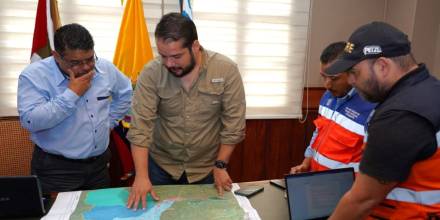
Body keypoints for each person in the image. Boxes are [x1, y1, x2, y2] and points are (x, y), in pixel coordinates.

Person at [126, 13, 246, 210]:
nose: (169, 63)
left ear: (195, 47)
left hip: (207, 168)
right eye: (163, 56)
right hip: (160, 167)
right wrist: (141, 176)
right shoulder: (151, 73)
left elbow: (234, 125)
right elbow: (140, 128)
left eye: (176, 56)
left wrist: (221, 165)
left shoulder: (226, 70)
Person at [325, 22, 440, 219]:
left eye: (354, 72)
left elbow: (362, 200)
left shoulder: (399, 116)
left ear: (382, 66)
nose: (351, 81)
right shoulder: (431, 88)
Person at [17, 23, 132, 194]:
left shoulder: (105, 69)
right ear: (56, 56)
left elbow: (126, 94)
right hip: (56, 170)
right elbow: (30, 121)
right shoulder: (34, 76)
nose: (86, 67)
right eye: (76, 62)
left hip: (99, 167)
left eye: (90, 59)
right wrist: (71, 94)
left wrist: (109, 122)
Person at [290, 42, 375, 174]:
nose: (327, 85)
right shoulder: (327, 96)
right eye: (323, 77)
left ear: (352, 73)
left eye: (334, 78)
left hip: (346, 189)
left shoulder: (372, 107)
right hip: (317, 179)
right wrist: (306, 163)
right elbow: (318, 132)